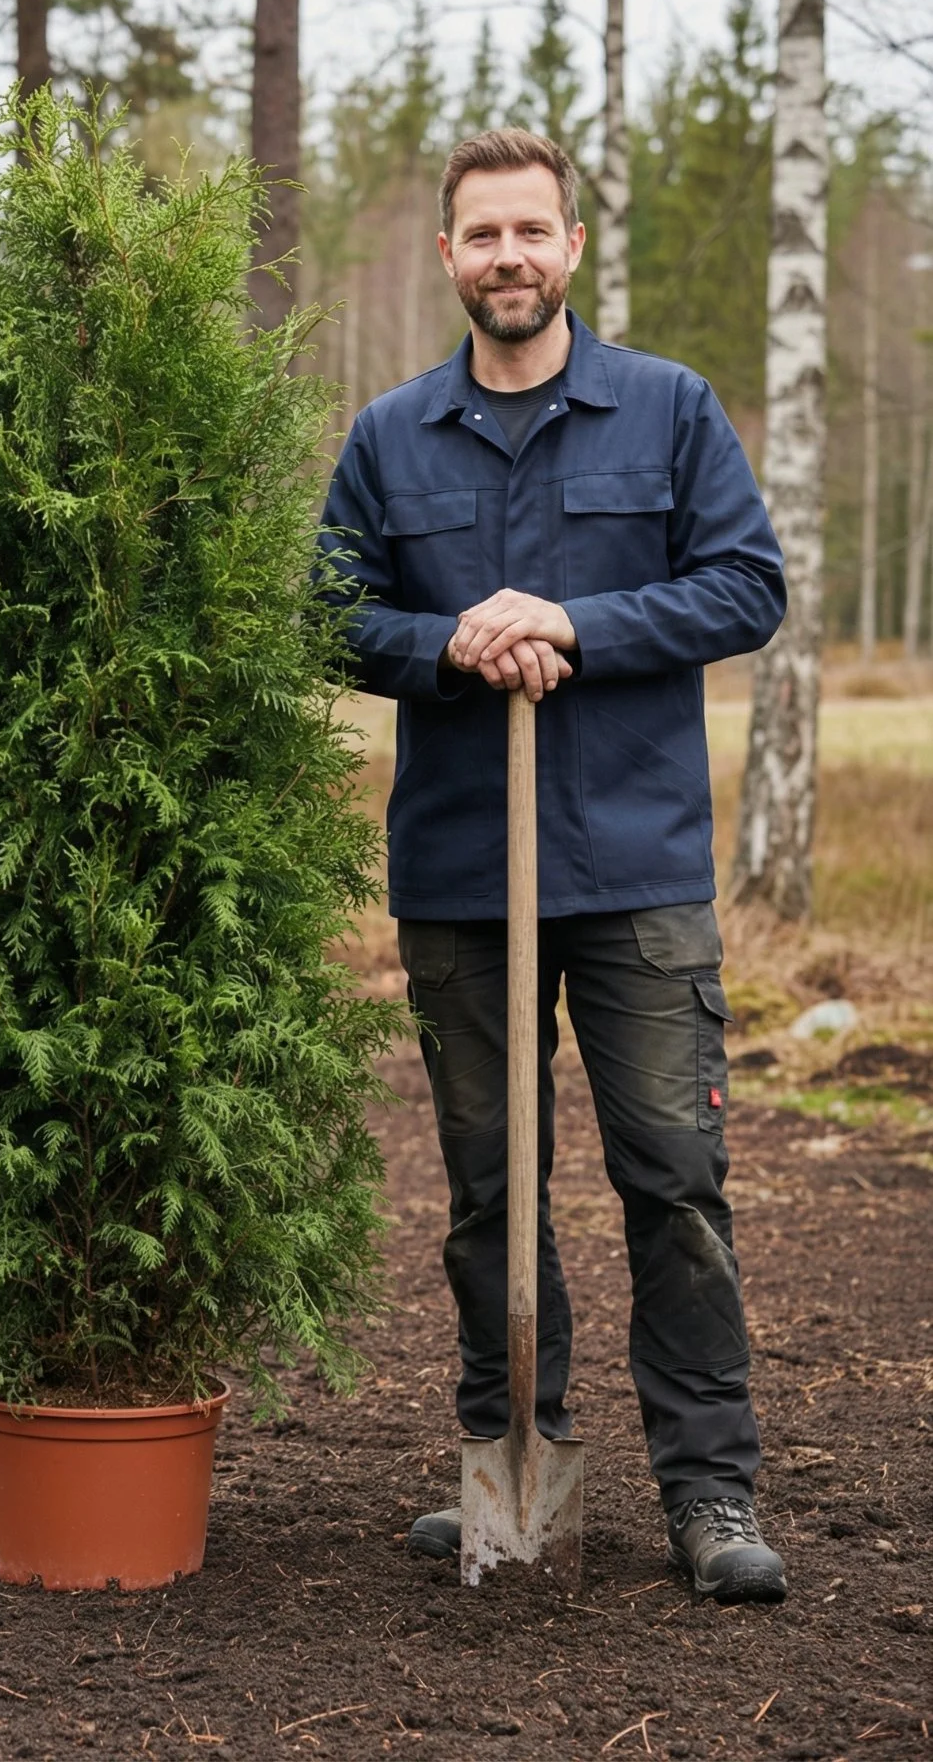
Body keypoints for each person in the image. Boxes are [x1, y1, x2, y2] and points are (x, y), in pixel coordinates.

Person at [316, 127, 789, 1605]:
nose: (508, 257)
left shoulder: (668, 411)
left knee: (675, 1181)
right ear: (449, 256)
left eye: (532, 231)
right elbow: (325, 615)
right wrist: (445, 641)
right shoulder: (393, 437)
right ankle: (505, 1448)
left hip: (639, 869)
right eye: (481, 235)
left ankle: (708, 1493)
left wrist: (577, 624)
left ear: (571, 247)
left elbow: (746, 585)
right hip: (463, 873)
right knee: (486, 1190)